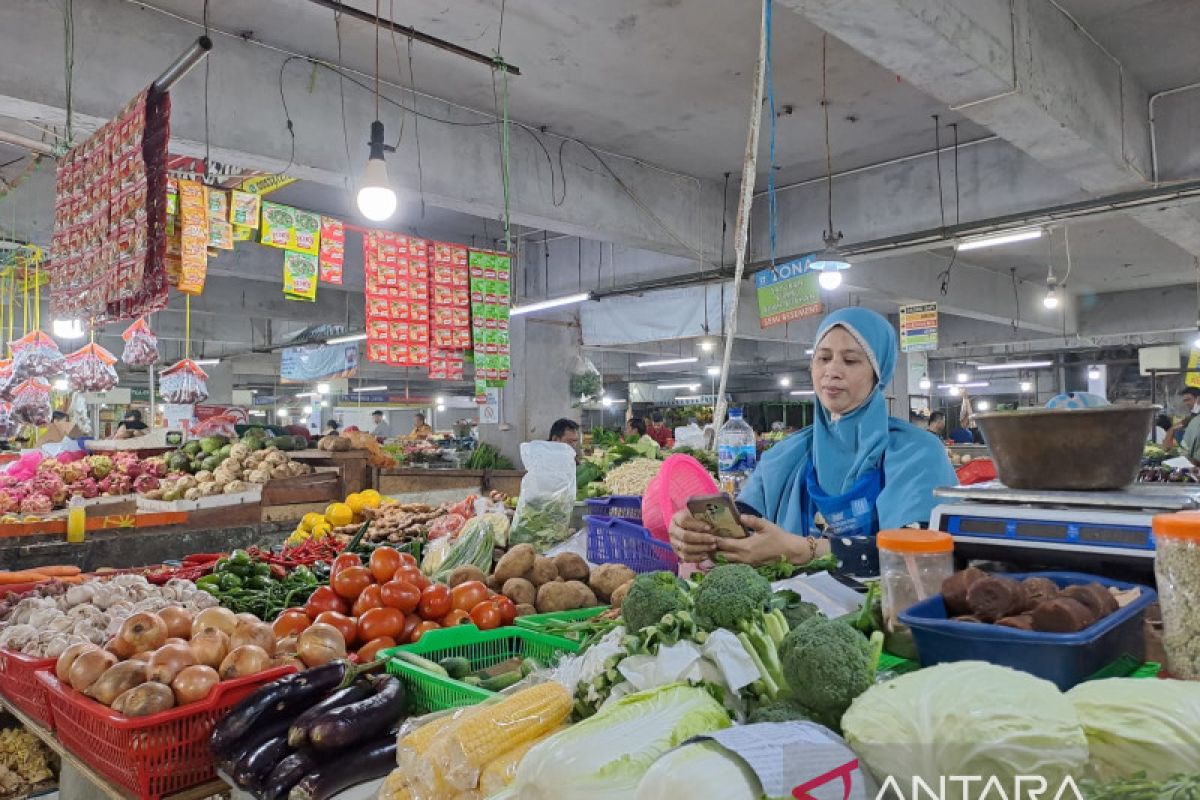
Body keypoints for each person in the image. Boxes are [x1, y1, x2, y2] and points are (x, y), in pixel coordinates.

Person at [669, 307, 957, 575]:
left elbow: (921, 555)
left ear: (877, 372)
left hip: (882, 620)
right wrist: (698, 533)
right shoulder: (785, 455)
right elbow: (744, 524)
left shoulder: (918, 453)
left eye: (850, 360)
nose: (832, 370)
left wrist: (806, 551)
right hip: (788, 619)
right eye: (823, 357)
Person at [1175, 388, 1200, 459]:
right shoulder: (1193, 418)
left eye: (1188, 400)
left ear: (1198, 399)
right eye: (1184, 401)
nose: (1186, 403)